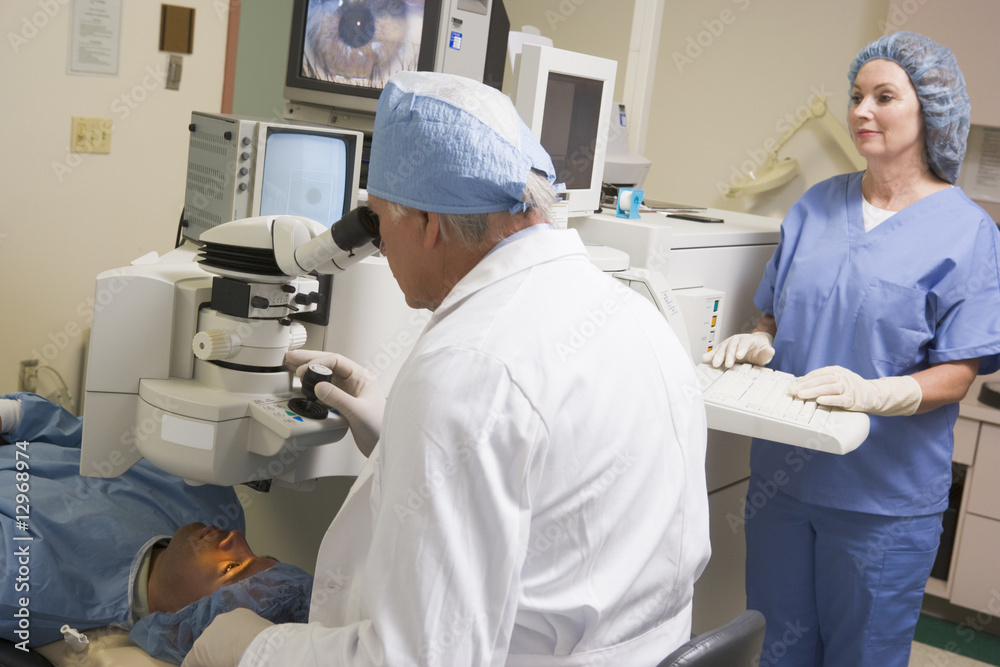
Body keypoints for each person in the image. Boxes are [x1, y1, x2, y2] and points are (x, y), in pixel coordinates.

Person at [185, 70, 711, 666]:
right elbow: (557, 503)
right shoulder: (634, 313)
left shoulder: (466, 371)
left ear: (430, 224)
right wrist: (398, 438)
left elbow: (416, 660)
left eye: (379, 223)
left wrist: (253, 650)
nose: (378, 249)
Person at [703, 31, 1000, 667]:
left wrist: (874, 395)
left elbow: (959, 371)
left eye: (884, 97)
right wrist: (759, 344)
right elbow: (775, 317)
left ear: (930, 110)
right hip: (783, 485)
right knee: (778, 649)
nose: (862, 110)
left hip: (882, 501)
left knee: (861, 656)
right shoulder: (816, 206)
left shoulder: (967, 231)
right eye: (856, 96)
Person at [0, 392, 312, 665]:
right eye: (258, 554)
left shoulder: (26, 583)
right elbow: (92, 439)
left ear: (184, 621)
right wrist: (13, 415)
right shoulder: (207, 498)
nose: (236, 537)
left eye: (232, 568)